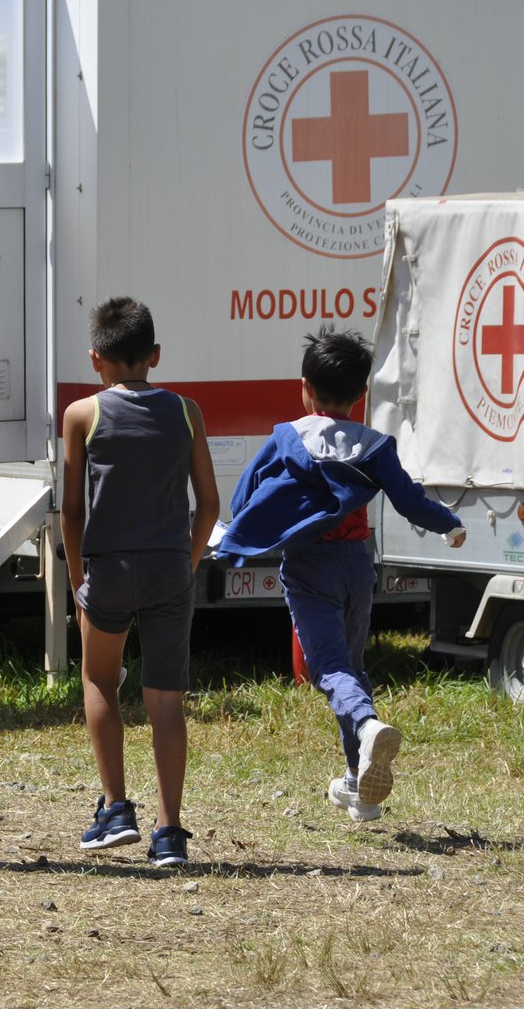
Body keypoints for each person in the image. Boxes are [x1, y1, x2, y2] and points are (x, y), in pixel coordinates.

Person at [218, 326, 466, 822]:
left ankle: (368, 725)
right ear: (362, 393)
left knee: (328, 670)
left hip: (310, 565)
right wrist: (449, 524)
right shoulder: (374, 446)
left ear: (305, 387)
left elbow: (245, 494)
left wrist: (242, 530)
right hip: (358, 565)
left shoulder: (287, 437)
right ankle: (359, 786)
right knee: (349, 668)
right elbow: (410, 500)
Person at [58, 297, 219, 866]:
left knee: (100, 678)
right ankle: (170, 832)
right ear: (155, 355)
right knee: (166, 700)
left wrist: (78, 575)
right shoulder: (186, 411)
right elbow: (209, 505)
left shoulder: (82, 414)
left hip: (107, 569)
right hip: (169, 567)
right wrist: (189, 560)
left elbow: (71, 511)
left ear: (95, 358)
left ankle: (115, 807)